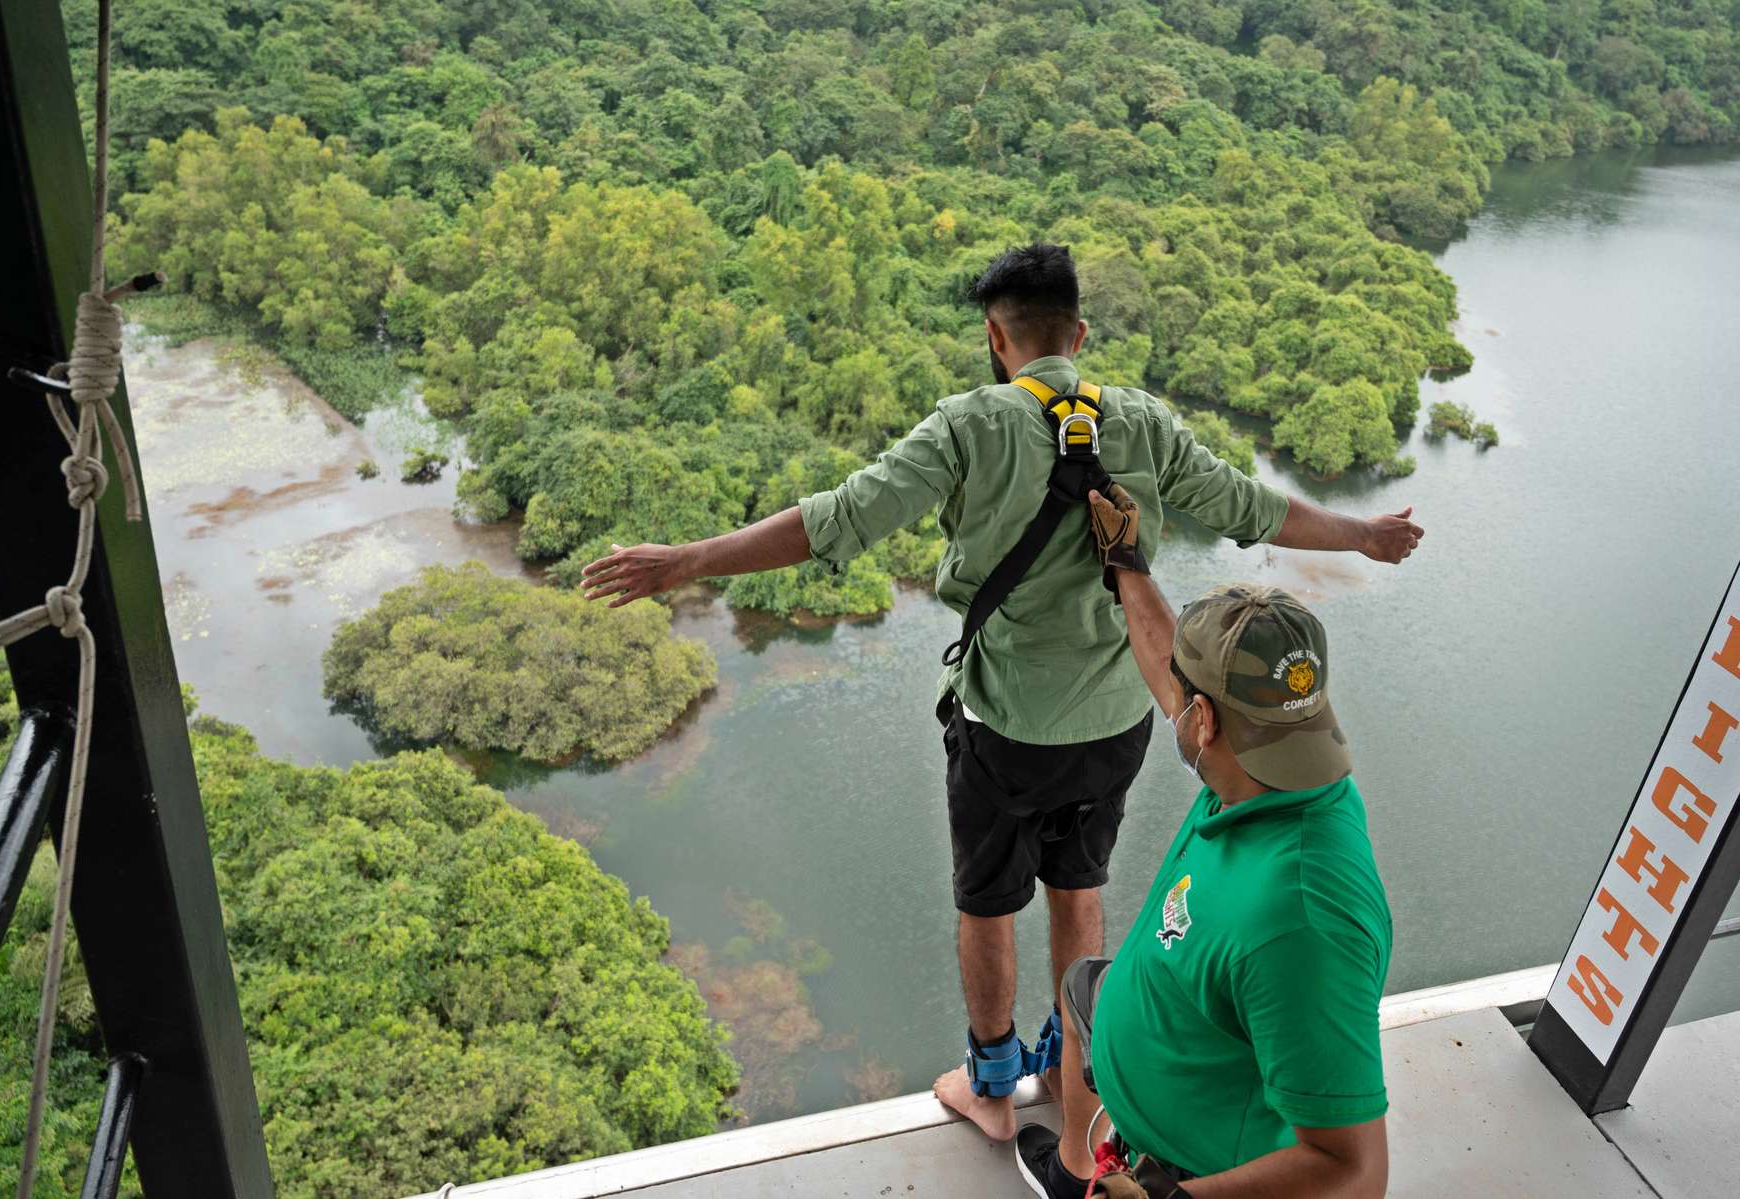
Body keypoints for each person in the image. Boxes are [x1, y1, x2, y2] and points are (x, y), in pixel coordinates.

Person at [579, 243, 1421, 1142]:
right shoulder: (1144, 424)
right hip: (1122, 721)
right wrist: (1363, 533)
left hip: (1004, 727)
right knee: (1079, 880)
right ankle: (1072, 1073)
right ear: (1080, 335)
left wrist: (687, 561)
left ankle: (988, 1083)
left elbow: (833, 523)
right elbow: (1254, 508)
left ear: (995, 338)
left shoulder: (968, 427)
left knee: (986, 898)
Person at [1010, 484, 1392, 1199]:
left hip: (1187, 1167)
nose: (1169, 699)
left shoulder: (1303, 921)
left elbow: (1355, 1170)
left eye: (1184, 700)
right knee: (1083, 983)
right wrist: (1125, 562)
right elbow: (1168, 665)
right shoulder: (1272, 761)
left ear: (1204, 721)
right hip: (1156, 1040)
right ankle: (1073, 1163)